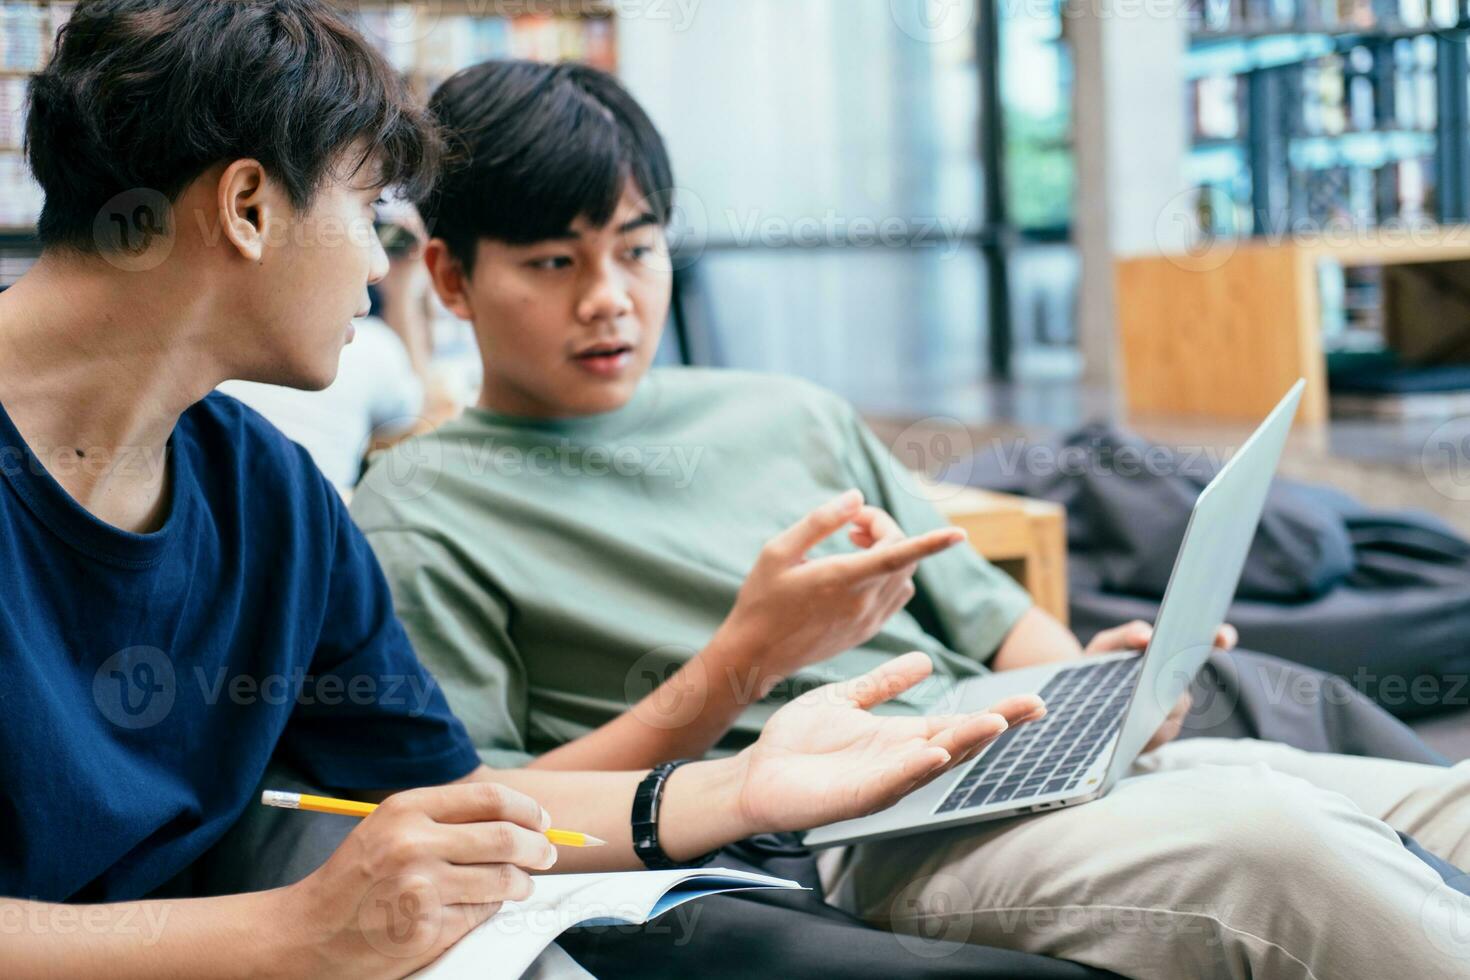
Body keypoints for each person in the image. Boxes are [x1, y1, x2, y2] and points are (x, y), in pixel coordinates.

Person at [350, 60, 1470, 979]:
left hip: (1014, 753)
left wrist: (1098, 688)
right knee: (1280, 854)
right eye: (555, 262)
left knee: (1446, 804)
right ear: (448, 278)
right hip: (843, 832)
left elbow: (989, 615)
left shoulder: (785, 410)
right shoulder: (421, 508)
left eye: (638, 248)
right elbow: (486, 806)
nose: (611, 297)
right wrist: (741, 664)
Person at [0, 5, 1042, 977]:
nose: (375, 267)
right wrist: (289, 926)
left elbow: (449, 795)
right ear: (247, 206)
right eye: (369, 211)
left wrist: (740, 784)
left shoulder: (267, 493)